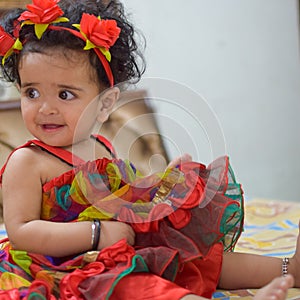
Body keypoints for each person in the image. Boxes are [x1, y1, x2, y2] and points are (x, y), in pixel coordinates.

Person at [0, 0, 298, 299]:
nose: (45, 108)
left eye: (65, 94)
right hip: (59, 267)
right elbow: (22, 232)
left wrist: (164, 184)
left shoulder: (100, 146)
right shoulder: (27, 162)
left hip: (114, 250)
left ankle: (287, 269)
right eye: (31, 92)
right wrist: (96, 233)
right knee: (132, 284)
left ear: (104, 104)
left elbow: (126, 196)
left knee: (190, 259)